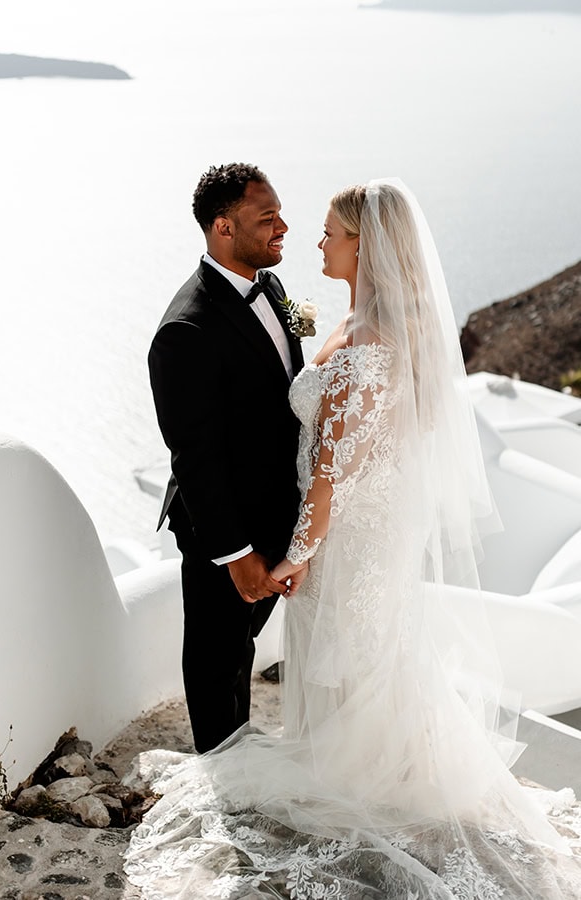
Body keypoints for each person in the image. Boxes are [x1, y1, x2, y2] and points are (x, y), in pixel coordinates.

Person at [126, 180, 581, 898]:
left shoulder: (369, 344)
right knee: (336, 657)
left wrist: (297, 555)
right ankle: (337, 769)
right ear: (221, 229)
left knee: (358, 659)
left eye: (330, 232)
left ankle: (357, 783)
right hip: (341, 532)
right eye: (270, 218)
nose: (310, 238)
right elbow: (229, 442)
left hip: (346, 537)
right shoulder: (332, 321)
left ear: (365, 247)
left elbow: (333, 474)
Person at [148, 163, 304, 753]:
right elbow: (196, 456)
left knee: (243, 652)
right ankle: (223, 782)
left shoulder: (271, 285)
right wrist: (235, 554)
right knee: (216, 663)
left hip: (275, 515)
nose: (283, 227)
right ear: (222, 228)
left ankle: (239, 761)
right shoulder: (185, 330)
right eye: (267, 219)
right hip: (226, 529)